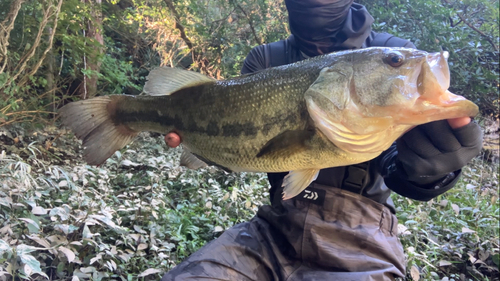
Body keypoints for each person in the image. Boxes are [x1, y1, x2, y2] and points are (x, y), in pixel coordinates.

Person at [161, 1, 483, 280]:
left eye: (396, 62)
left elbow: (396, 165)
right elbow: (243, 150)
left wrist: (432, 166)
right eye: (397, 62)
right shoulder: (265, 59)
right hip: (275, 228)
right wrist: (203, 146)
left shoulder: (389, 50)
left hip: (363, 241)